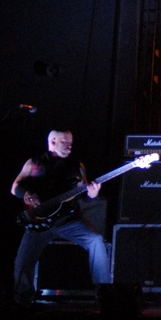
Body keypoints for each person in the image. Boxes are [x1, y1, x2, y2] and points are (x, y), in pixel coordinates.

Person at [10, 129, 113, 307]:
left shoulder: (77, 166)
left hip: (68, 220)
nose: (69, 145)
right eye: (65, 141)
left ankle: (104, 293)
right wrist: (26, 193)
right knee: (22, 261)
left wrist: (93, 194)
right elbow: (15, 188)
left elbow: (84, 191)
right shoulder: (35, 163)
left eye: (71, 142)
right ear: (53, 142)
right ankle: (22, 299)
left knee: (96, 240)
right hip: (40, 222)